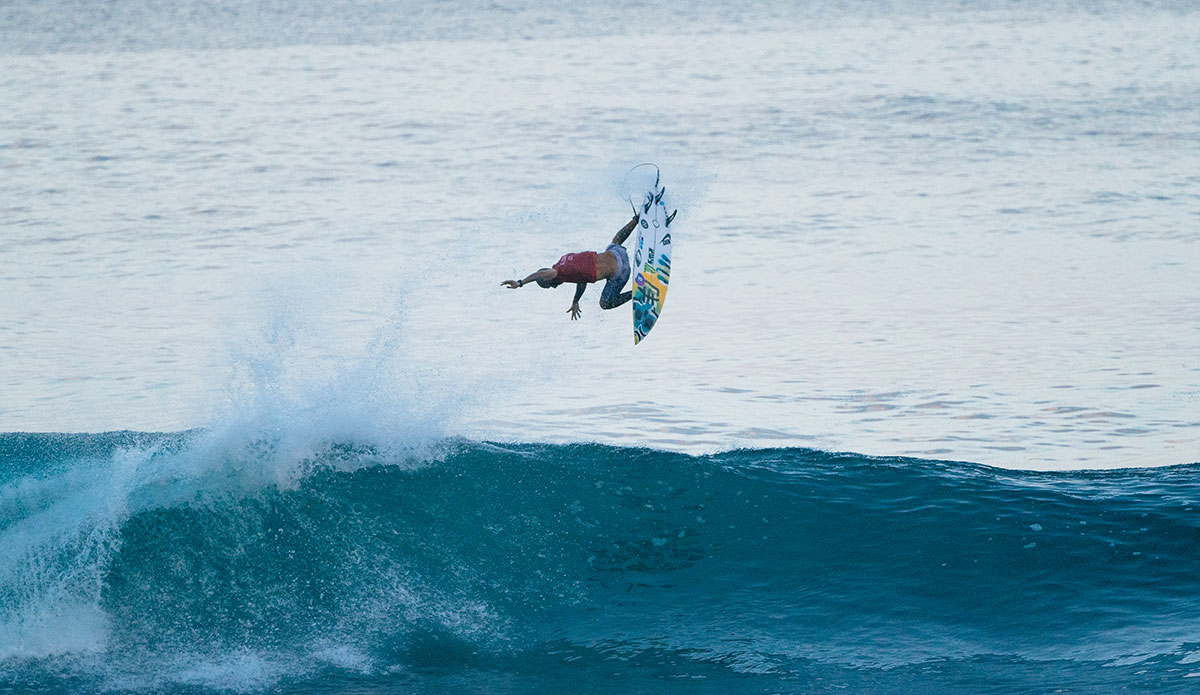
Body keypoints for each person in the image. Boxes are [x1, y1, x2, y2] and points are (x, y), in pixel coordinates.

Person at [501, 213, 640, 320]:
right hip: (619, 254)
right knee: (615, 241)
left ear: (549, 279)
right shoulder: (565, 260)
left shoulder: (557, 272)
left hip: (621, 273)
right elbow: (582, 279)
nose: (555, 287)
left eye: (550, 285)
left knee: (605, 304)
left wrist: (520, 283)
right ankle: (636, 219)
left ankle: (637, 292)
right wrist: (575, 301)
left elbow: (541, 275)